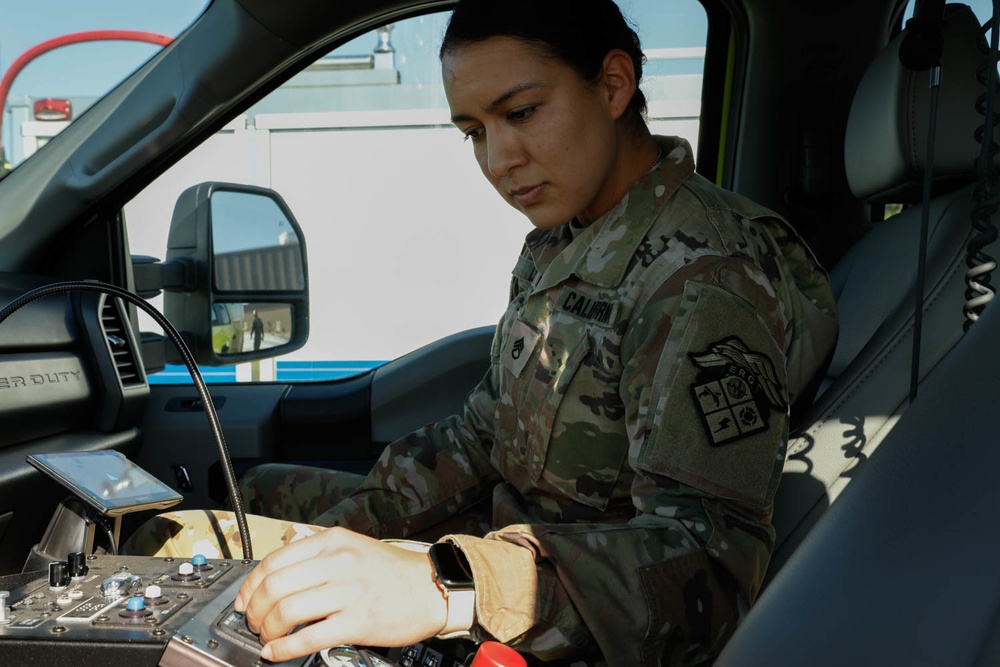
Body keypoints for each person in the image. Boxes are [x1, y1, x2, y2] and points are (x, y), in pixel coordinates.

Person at [123, 1, 838, 664]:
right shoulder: (560, 242)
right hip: (491, 555)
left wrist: (441, 587)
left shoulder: (706, 278)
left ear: (614, 84)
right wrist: (349, 532)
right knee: (223, 520)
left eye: (522, 112)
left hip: (563, 614)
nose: (498, 161)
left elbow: (702, 572)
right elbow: (479, 437)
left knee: (183, 565)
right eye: (474, 132)